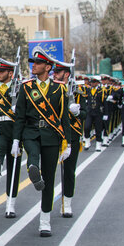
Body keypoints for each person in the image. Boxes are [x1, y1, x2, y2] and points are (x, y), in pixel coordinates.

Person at [12, 46, 71, 237]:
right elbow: (20, 116)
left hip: (51, 136)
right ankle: (32, 168)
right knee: (32, 154)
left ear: (48, 67)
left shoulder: (60, 89)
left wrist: (68, 143)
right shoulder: (27, 87)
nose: (34, 66)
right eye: (33, 63)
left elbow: (64, 118)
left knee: (49, 178)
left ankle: (45, 221)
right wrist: (15, 140)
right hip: (30, 132)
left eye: (37, 63)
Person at [0, 58, 22, 218]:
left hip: (15, 130)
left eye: (2, 71)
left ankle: (11, 203)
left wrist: (19, 105)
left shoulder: (19, 88)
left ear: (11, 73)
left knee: (14, 168)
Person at [52, 60, 85, 218]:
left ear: (66, 74)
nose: (55, 74)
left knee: (69, 170)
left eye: (58, 72)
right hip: (54, 133)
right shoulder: (52, 90)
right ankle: (47, 202)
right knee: (49, 169)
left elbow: (86, 113)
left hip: (72, 134)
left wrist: (77, 112)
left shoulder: (78, 92)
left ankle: (67, 203)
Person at [83, 75, 105, 151]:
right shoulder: (88, 90)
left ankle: (98, 144)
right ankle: (87, 141)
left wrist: (105, 113)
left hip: (98, 112)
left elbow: (104, 102)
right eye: (91, 82)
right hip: (89, 112)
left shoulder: (101, 91)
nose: (92, 83)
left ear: (97, 83)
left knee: (98, 128)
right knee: (86, 127)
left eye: (94, 82)